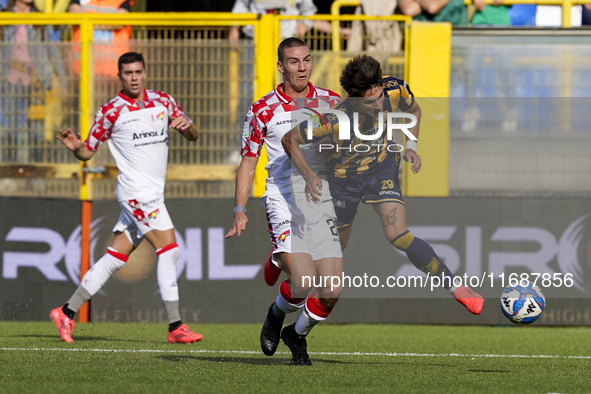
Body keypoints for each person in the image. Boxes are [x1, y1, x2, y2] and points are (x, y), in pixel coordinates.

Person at [283, 55, 485, 315]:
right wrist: (310, 175)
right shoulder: (335, 119)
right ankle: (282, 254)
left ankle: (455, 287)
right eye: (370, 102)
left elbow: (414, 111)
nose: (379, 105)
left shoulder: (394, 89)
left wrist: (411, 147)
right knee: (335, 248)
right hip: (344, 180)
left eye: (379, 96)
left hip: (382, 168)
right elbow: (290, 139)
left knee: (398, 234)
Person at [50, 52, 202, 344]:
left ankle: (66, 312)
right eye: (128, 73)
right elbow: (87, 152)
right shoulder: (110, 112)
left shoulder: (164, 102)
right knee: (169, 251)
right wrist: (74, 147)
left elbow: (193, 134)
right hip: (135, 192)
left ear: (145, 73)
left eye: (138, 72)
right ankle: (176, 326)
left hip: (153, 193)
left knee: (114, 259)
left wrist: (188, 125)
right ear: (120, 77)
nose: (134, 77)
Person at [224, 37, 341, 365]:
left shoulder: (331, 102)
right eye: (294, 62)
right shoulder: (262, 110)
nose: (302, 67)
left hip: (320, 199)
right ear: (281, 66)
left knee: (331, 290)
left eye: (306, 60)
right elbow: (248, 163)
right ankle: (276, 314)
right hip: (283, 199)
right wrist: (239, 209)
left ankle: (295, 334)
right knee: (304, 282)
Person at [0, 0, 67, 163]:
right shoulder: (5, 16)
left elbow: (52, 50)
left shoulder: (39, 19)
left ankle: (34, 174)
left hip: (37, 81)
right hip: (10, 79)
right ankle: (10, 172)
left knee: (37, 132)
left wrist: (63, 81)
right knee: (10, 129)